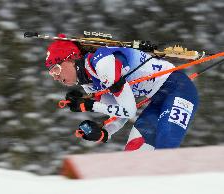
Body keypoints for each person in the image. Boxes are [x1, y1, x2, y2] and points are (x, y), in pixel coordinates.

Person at [45, 34, 198, 151]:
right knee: (133, 154)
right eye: (52, 74)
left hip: (179, 89)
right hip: (157, 102)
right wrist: (104, 132)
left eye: (56, 69)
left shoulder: (102, 63)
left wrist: (90, 105)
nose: (56, 76)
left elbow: (129, 110)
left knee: (166, 143)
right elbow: (121, 112)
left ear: (72, 59)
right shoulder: (89, 82)